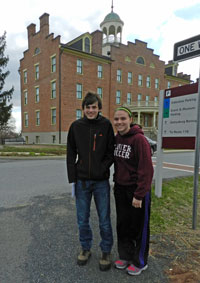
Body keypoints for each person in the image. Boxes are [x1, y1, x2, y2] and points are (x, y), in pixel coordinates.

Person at [67, 92, 114, 271]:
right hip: (82, 182)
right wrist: (73, 178)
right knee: (82, 219)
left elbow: (111, 151)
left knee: (104, 219)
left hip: (101, 181)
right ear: (83, 109)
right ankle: (85, 248)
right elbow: (70, 153)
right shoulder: (76, 126)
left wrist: (102, 169)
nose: (91, 110)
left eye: (94, 107)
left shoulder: (106, 125)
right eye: (88, 107)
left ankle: (106, 250)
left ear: (99, 108)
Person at [113, 106, 154, 276]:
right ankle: (125, 255)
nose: (119, 122)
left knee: (138, 227)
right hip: (121, 189)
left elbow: (146, 170)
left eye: (123, 118)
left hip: (137, 191)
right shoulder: (117, 138)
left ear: (130, 119)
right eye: (116, 119)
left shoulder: (139, 140)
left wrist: (139, 195)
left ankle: (140, 261)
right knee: (123, 225)